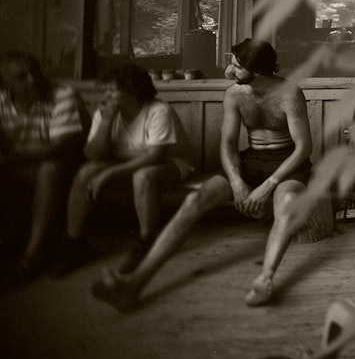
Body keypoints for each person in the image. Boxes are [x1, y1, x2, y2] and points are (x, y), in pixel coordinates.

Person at [92, 39, 313, 311]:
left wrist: (268, 185)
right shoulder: (234, 94)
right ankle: (134, 283)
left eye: (236, 66)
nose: (229, 71)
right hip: (251, 159)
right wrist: (237, 183)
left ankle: (264, 279)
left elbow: (303, 149)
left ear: (258, 70)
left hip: (287, 162)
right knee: (194, 202)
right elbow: (229, 144)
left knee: (287, 204)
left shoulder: (290, 93)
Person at [55, 64, 195, 278]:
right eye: (106, 89)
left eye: (113, 90)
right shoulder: (106, 113)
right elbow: (93, 155)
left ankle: (146, 240)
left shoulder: (158, 110)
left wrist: (110, 173)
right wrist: (107, 121)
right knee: (86, 172)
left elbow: (155, 156)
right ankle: (73, 242)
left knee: (143, 176)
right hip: (124, 163)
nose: (107, 95)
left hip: (171, 163)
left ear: (132, 90)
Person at [0, 52, 87, 283]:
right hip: (21, 167)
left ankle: (31, 258)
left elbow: (60, 147)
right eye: (21, 77)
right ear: (5, 84)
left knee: (49, 169)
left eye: (35, 71)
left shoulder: (62, 95)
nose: (33, 80)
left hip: (68, 170)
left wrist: (12, 153)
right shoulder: (1, 99)